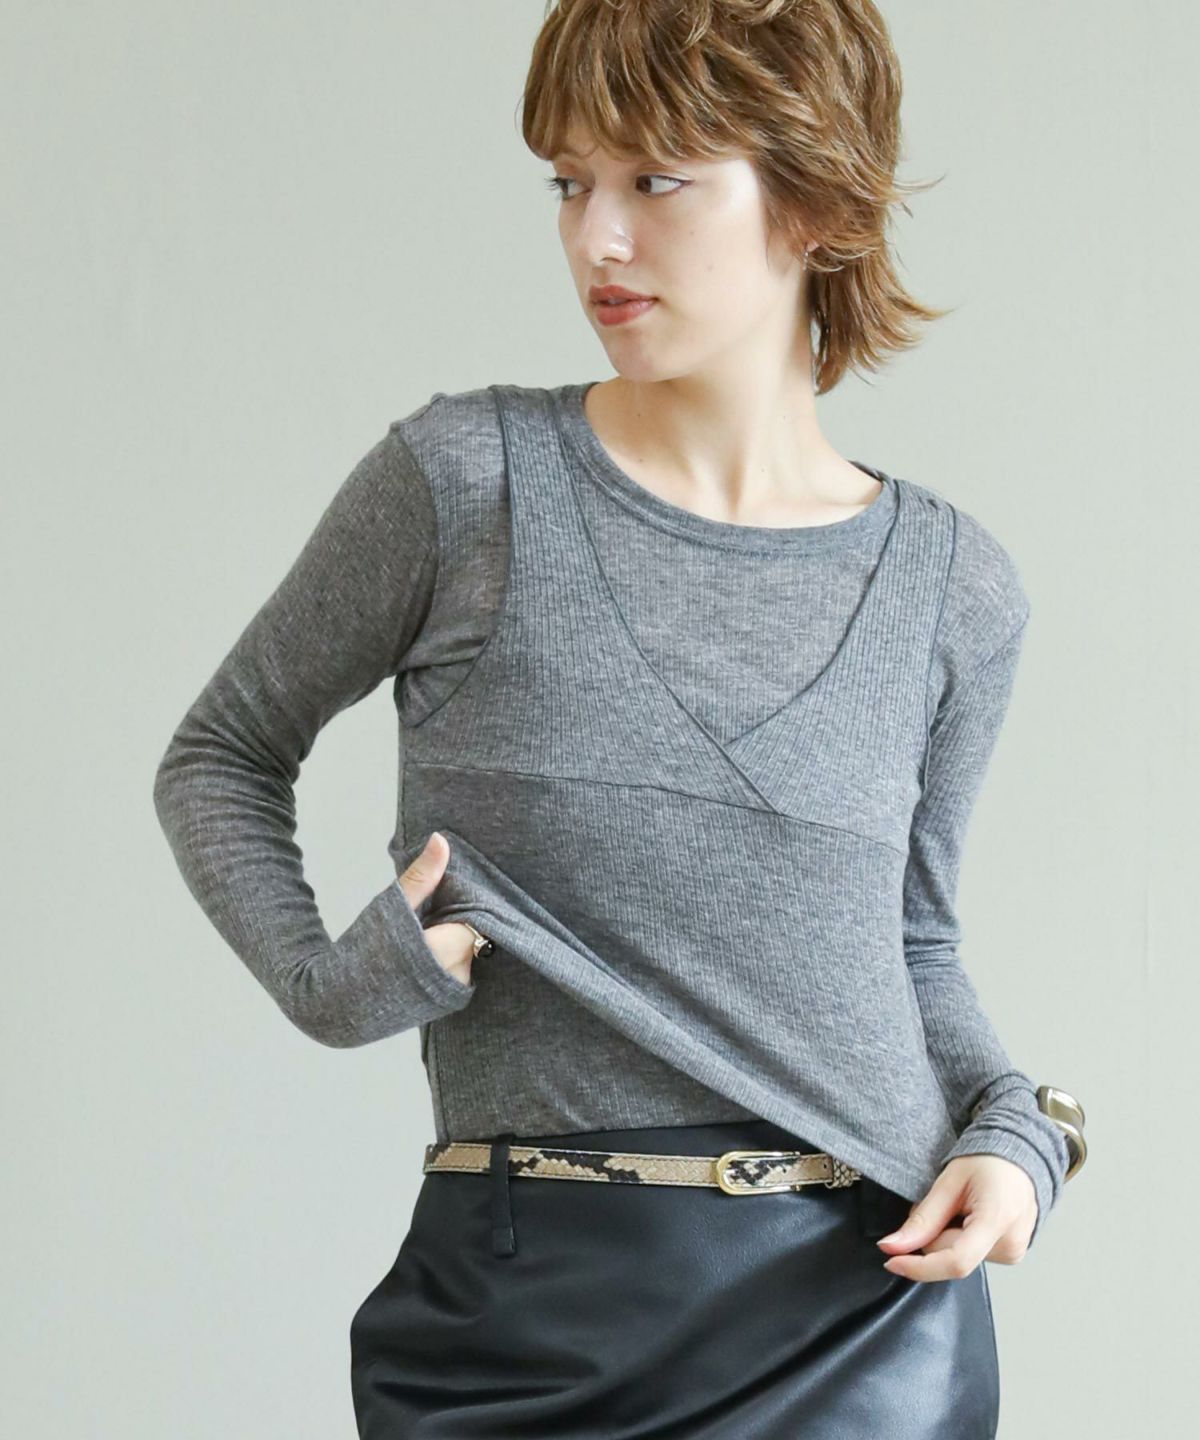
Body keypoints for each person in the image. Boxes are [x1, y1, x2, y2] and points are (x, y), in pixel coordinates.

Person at [153, 2, 1086, 1435]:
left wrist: (1026, 1133)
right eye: (570, 182)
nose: (597, 238)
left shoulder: (953, 590)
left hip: (866, 1317)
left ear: (814, 200)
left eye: (656, 181)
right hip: (525, 1317)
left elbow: (913, 945)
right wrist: (325, 982)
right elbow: (221, 755)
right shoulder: (466, 485)